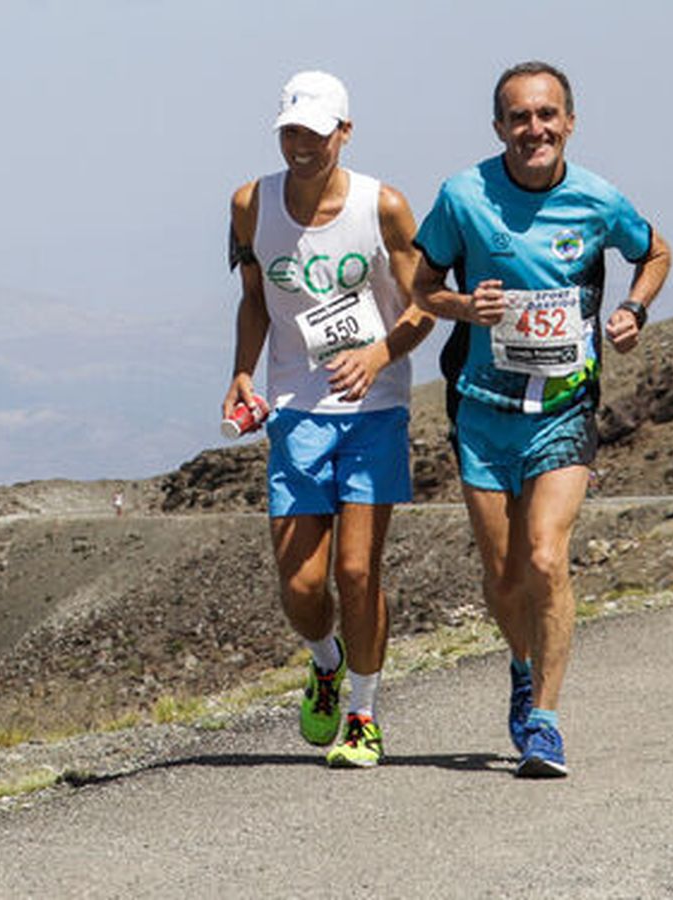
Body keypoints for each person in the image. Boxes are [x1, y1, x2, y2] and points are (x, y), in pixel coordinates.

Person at [411, 61, 671, 777]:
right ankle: (521, 669)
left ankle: (546, 723)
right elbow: (421, 284)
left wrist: (633, 309)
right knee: (503, 574)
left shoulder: (597, 199)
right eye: (520, 118)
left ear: (570, 121)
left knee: (546, 559)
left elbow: (655, 251)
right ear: (499, 127)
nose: (535, 130)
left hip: (563, 407)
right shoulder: (462, 197)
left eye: (547, 115)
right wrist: (465, 308)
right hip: (483, 408)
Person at [222, 70, 433, 768]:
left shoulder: (386, 207)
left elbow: (422, 306)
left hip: (373, 409)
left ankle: (364, 715)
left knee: (356, 571)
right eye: (290, 132)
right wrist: (242, 373)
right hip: (294, 410)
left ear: (343, 132)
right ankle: (325, 661)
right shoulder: (251, 204)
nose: (300, 146)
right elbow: (255, 298)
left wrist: (378, 354)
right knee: (303, 586)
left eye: (315, 134)